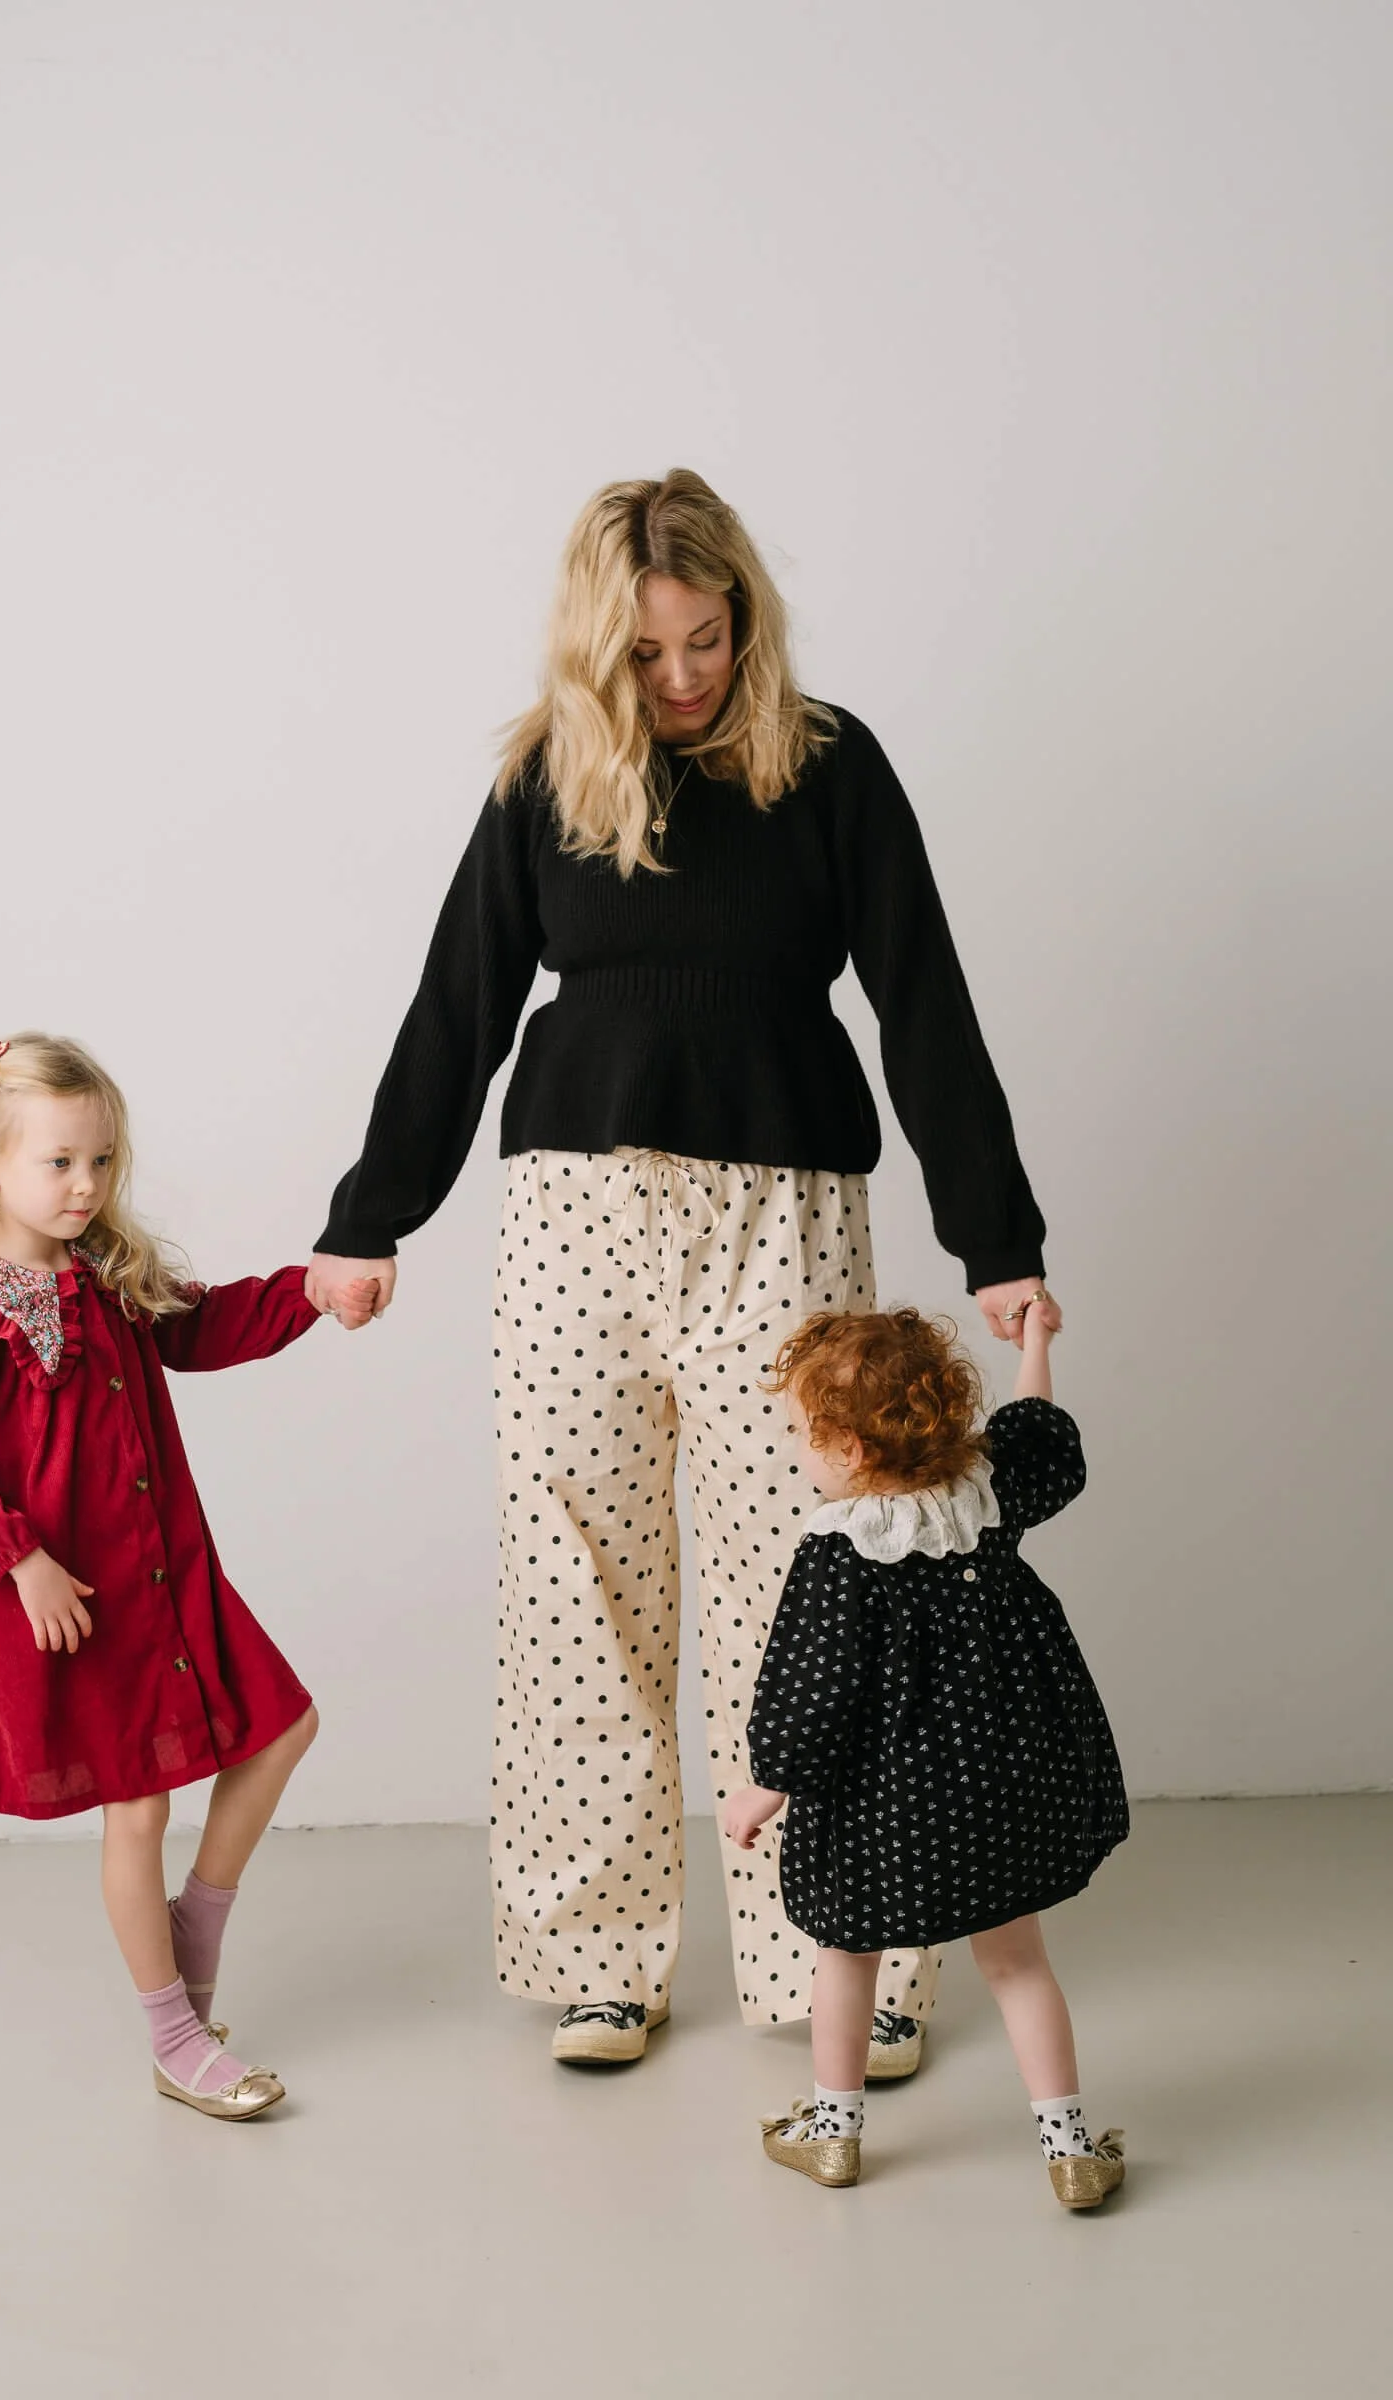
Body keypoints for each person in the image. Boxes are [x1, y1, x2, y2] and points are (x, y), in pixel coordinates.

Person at [308, 467, 1055, 2070]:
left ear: (745, 617)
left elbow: (923, 999)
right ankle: (602, 1959)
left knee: (814, 1579)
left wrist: (999, 1238)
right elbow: (461, 1005)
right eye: (650, 654)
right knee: (576, 1576)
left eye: (709, 638)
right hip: (577, 1211)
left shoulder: (831, 768)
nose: (687, 676)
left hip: (781, 1213)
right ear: (600, 651)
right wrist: (372, 1217)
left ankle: (839, 1954)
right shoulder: (548, 779)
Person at [0, 1033, 356, 2120]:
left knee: (283, 1725)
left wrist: (312, 1290)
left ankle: (196, 1922)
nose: (86, 1185)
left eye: (101, 1162)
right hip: (79, 1604)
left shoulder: (106, 1275)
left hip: (165, 1577)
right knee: (138, 1809)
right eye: (60, 1163)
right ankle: (172, 2032)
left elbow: (205, 1328)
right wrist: (23, 1561)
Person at [727, 1299, 1127, 2207]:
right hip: (996, 1791)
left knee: (846, 1955)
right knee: (1019, 1964)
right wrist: (1034, 1344)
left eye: (801, 1432)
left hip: (881, 1808)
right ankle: (1069, 2150)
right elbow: (1040, 1440)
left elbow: (811, 1691)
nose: (795, 1448)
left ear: (853, 1450)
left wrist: (768, 1785)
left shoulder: (840, 1552)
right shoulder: (982, 1501)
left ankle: (833, 2135)